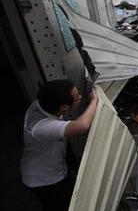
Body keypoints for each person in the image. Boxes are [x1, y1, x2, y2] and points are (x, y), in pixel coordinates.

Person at [20, 79, 98, 211]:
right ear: (64, 107)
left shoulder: (44, 103)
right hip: (44, 179)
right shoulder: (41, 127)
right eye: (77, 97)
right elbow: (82, 126)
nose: (80, 97)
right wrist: (94, 102)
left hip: (52, 166)